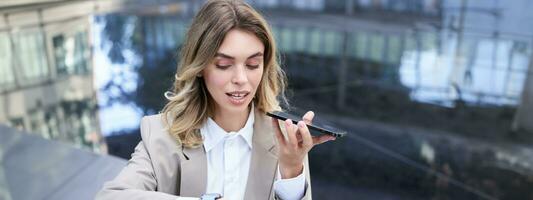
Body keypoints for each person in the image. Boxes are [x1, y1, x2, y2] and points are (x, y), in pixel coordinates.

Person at [96, 0, 335, 199]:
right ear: (200, 67)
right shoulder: (161, 134)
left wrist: (292, 169)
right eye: (223, 65)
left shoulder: (284, 138)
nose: (241, 79)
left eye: (253, 64)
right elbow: (112, 196)